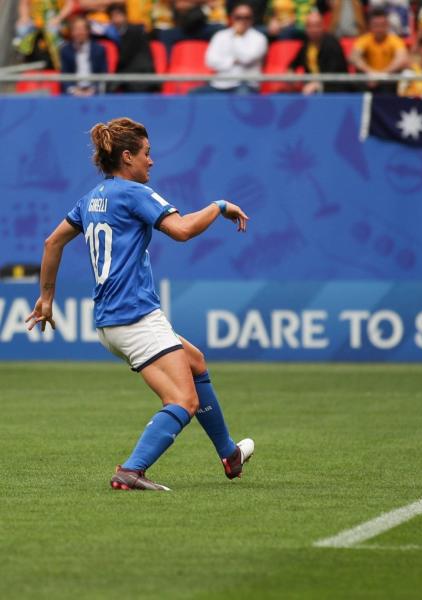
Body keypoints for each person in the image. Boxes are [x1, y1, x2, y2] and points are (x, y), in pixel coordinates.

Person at [26, 117, 254, 491]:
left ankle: (229, 454)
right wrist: (219, 205)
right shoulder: (136, 194)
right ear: (127, 156)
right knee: (183, 400)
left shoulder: (93, 197)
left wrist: (46, 299)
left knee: (195, 361)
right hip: (135, 318)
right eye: (147, 154)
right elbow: (182, 231)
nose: (152, 161)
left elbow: (52, 243)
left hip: (109, 321)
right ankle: (131, 470)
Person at [200, 2, 268, 93]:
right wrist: (232, 61)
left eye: (246, 17)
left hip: (245, 84)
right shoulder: (220, 35)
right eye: (238, 17)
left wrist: (237, 36)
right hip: (220, 84)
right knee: (194, 94)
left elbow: (246, 59)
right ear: (232, 18)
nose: (242, 21)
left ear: (252, 19)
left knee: (242, 96)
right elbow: (210, 61)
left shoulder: (259, 38)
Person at [288, 10, 351, 94]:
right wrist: (290, 73)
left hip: (334, 90)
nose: (313, 30)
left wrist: (317, 84)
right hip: (311, 89)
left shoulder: (332, 44)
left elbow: (334, 73)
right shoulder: (306, 45)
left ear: (323, 26)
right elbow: (293, 64)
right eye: (310, 26)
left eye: (317, 26)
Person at [350, 8, 410, 94]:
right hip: (368, 80)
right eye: (376, 25)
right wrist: (370, 73)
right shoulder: (364, 39)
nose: (379, 29)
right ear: (370, 26)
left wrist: (382, 75)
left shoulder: (395, 40)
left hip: (388, 80)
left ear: (387, 25)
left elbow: (402, 59)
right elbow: (353, 57)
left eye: (382, 25)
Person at [106, 3, 158, 94]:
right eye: (113, 16)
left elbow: (123, 58)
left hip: (141, 73)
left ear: (125, 16)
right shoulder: (114, 33)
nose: (116, 19)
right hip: (128, 73)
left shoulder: (135, 30)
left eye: (118, 15)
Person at [60, 15, 108, 96]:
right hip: (73, 93)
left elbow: (103, 74)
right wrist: (74, 91)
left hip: (94, 92)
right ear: (71, 32)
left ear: (88, 31)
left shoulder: (99, 49)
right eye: (76, 29)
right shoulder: (65, 51)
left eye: (82, 29)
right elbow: (65, 76)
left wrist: (93, 90)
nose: (79, 33)